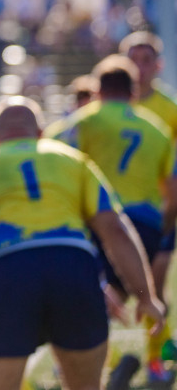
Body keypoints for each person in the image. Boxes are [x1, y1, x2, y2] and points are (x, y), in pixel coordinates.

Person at [0, 96, 165, 390]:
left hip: (9, 275)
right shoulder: (74, 161)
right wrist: (145, 296)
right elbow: (116, 230)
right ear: (40, 133)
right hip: (75, 270)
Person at [44, 54, 177, 380]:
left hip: (98, 225)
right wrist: (164, 231)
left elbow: (44, 154)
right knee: (127, 297)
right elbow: (172, 193)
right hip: (145, 229)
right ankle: (147, 367)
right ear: (132, 91)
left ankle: (85, 371)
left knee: (90, 299)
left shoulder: (84, 120)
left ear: (99, 89)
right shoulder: (157, 129)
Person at [122, 30, 177, 364]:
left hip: (160, 210)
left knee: (154, 286)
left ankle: (156, 359)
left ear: (159, 65)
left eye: (146, 60)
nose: (139, 68)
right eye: (133, 60)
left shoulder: (169, 108)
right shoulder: (109, 104)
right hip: (115, 212)